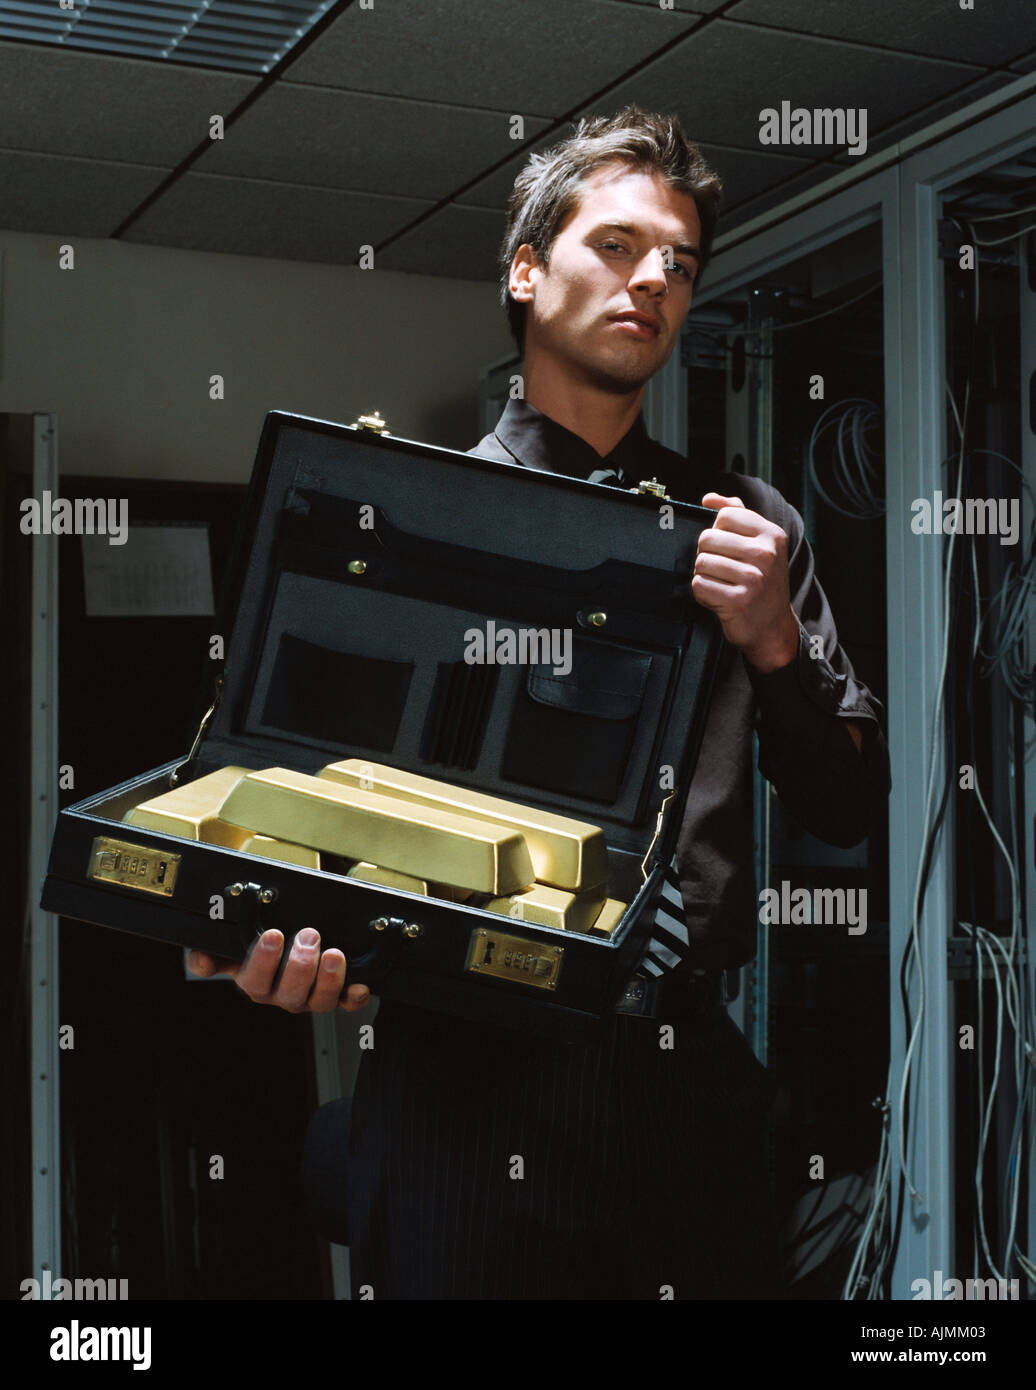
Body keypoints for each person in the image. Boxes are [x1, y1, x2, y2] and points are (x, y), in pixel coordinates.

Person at [188, 106, 891, 1299]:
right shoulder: (400, 517)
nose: (654, 280)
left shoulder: (746, 530)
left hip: (680, 1073)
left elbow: (845, 801)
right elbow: (288, 794)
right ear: (524, 271)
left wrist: (773, 639)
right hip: (460, 1077)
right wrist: (262, 940)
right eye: (616, 246)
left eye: (678, 260)